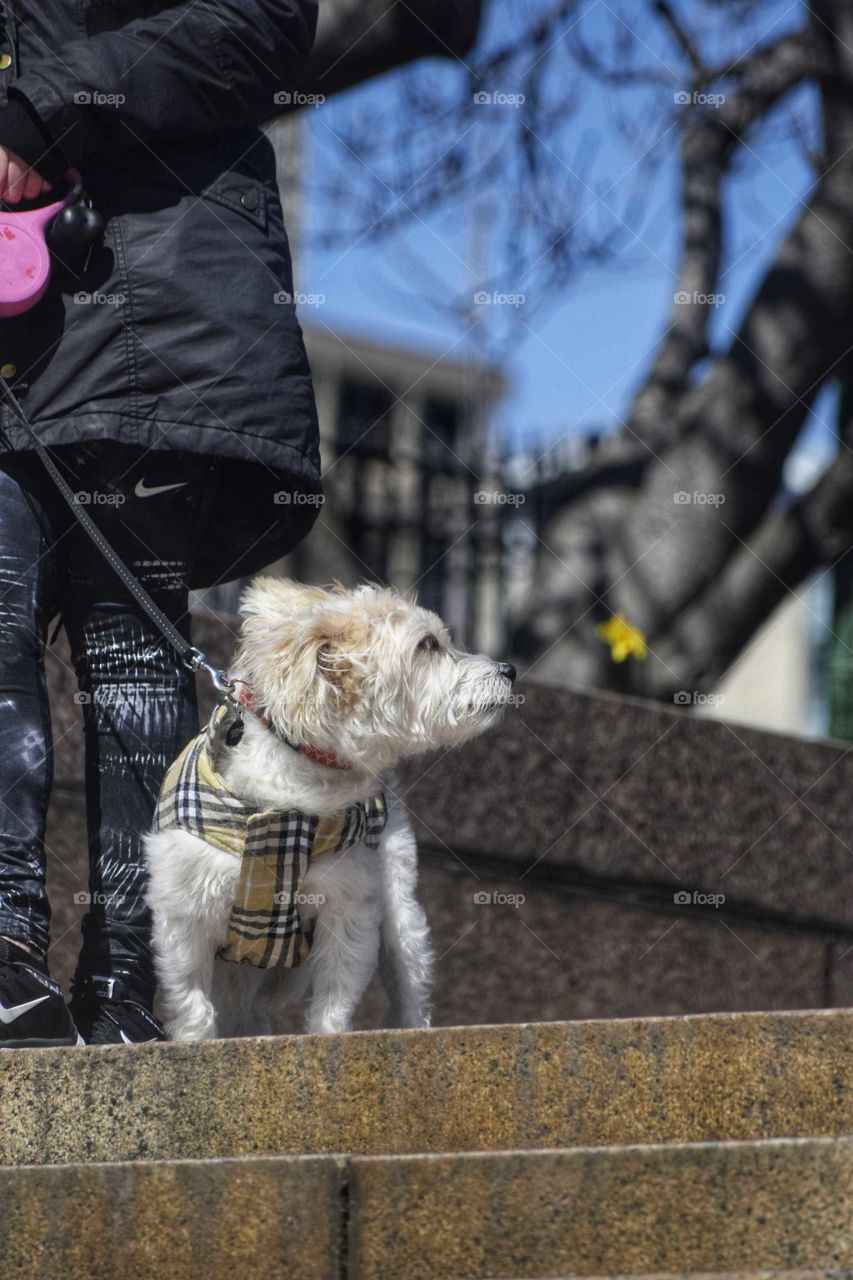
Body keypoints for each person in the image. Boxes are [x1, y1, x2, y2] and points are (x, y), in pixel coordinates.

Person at [0, 0, 322, 1047]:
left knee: (130, 653)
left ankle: (130, 983)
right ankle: (12, 962)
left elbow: (259, 27)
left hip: (142, 299)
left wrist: (42, 108)